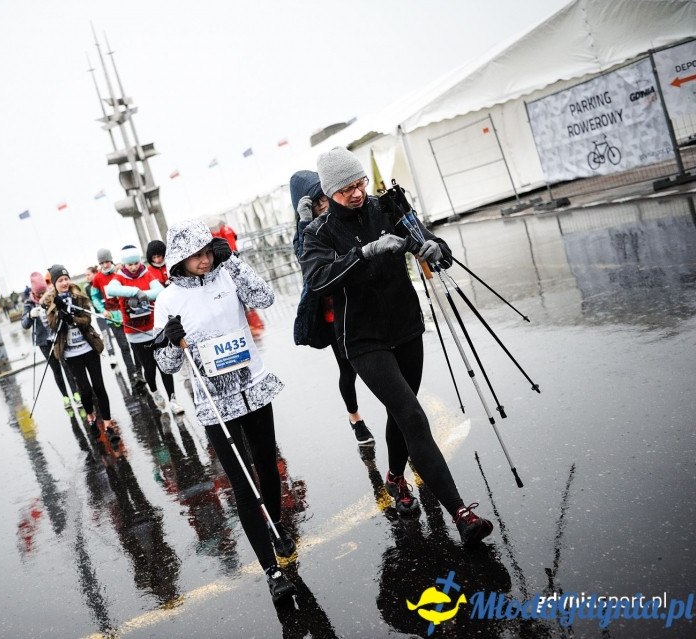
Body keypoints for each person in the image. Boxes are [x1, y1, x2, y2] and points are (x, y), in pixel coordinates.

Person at [299, 146, 493, 544]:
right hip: (363, 340)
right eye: (346, 189)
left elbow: (428, 241)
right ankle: (461, 514)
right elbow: (318, 280)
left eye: (360, 183)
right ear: (330, 192)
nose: (357, 193)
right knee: (413, 415)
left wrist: (437, 250)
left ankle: (394, 477)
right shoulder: (318, 232)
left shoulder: (387, 207)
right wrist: (365, 252)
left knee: (401, 413)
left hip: (405, 327)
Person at [153, 219, 297, 602]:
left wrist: (232, 260)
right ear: (179, 259)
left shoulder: (227, 273)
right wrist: (170, 341)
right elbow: (166, 365)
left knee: (268, 466)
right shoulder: (168, 300)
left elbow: (264, 298)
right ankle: (271, 571)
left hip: (253, 385)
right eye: (195, 255)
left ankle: (276, 524)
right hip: (215, 402)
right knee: (243, 484)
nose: (204, 260)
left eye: (207, 252)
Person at [290, 170, 373, 447]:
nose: (324, 205)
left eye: (325, 197)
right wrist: (304, 222)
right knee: (348, 371)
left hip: (360, 303)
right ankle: (355, 418)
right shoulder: (306, 231)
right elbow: (305, 260)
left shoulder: (341, 217)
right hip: (333, 314)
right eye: (317, 202)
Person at [41, 264, 119, 441]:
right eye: (60, 280)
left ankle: (108, 425)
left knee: (99, 386)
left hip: (88, 348)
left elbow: (87, 319)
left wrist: (73, 318)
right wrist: (60, 314)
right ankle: (91, 417)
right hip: (71, 354)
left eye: (66, 279)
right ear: (54, 284)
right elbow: (53, 326)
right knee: (84, 391)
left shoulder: (79, 296)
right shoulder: (49, 303)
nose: (64, 283)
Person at [105, 244, 183, 414]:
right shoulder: (120, 277)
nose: (133, 267)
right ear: (124, 264)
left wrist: (144, 295)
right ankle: (155, 392)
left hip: (154, 327)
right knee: (149, 367)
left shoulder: (145, 273)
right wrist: (134, 292)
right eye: (130, 264)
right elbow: (110, 289)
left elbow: (160, 291)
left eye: (136, 263)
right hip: (135, 332)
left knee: (164, 365)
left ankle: (173, 399)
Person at [22, 271, 81, 412]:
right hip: (44, 342)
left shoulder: (52, 296)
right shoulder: (29, 304)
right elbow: (24, 325)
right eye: (39, 294)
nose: (42, 296)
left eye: (44, 292)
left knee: (67, 366)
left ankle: (75, 394)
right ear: (33, 292)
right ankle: (65, 397)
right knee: (56, 370)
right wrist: (30, 315)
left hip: (58, 337)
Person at [90, 248, 140, 381]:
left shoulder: (120, 271)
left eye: (107, 261)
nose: (105, 265)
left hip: (128, 313)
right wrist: (102, 310)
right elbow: (94, 297)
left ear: (111, 260)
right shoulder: (98, 278)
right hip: (112, 317)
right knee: (124, 346)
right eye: (102, 263)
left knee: (135, 343)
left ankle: (139, 369)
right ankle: (132, 374)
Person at [84, 265, 118, 367]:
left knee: (118, 334)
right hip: (100, 315)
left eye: (89, 275)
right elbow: (93, 301)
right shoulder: (87, 288)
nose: (87, 277)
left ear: (95, 273)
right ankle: (112, 355)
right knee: (106, 336)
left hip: (112, 313)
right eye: (85, 275)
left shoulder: (102, 281)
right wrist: (101, 310)